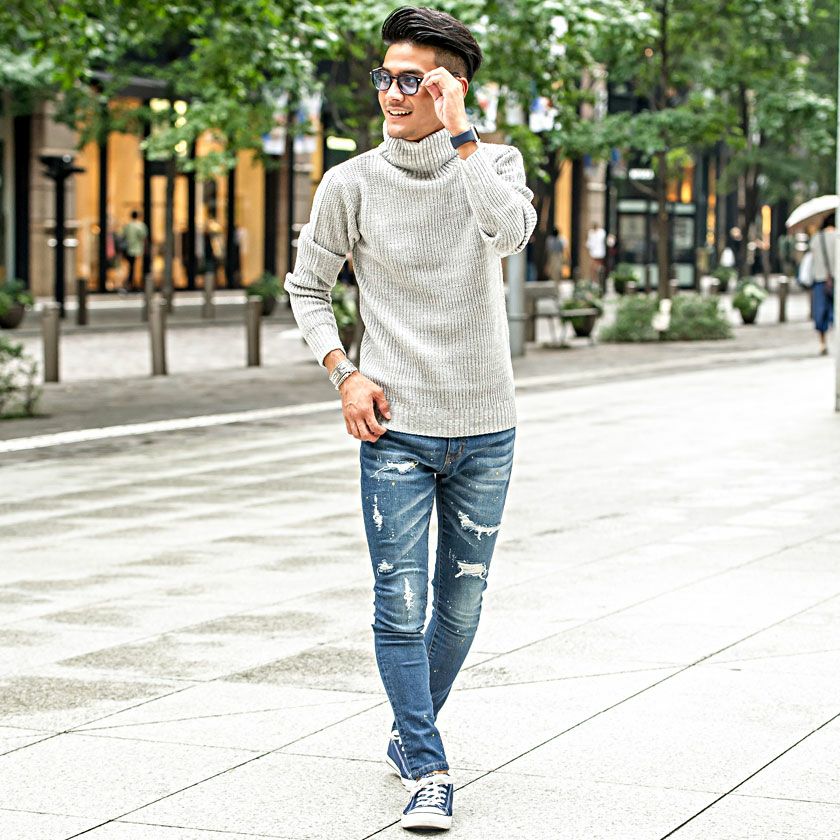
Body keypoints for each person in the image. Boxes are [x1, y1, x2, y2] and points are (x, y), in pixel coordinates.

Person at [284, 6, 536, 831]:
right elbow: (307, 285)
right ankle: (428, 767)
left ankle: (406, 732)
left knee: (460, 608)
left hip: (486, 427)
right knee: (399, 606)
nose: (393, 94)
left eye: (413, 80)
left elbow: (509, 235)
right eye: (385, 77)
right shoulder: (350, 184)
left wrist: (463, 138)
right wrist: (344, 373)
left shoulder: (494, 163)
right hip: (394, 426)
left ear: (452, 88)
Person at [810, 213, 836, 356]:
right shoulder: (837, 237)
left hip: (820, 279)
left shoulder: (816, 238)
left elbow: (813, 258)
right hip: (836, 280)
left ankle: (822, 343)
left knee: (820, 313)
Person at [121, 211, 148, 292]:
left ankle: (130, 283)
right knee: (136, 268)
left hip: (128, 250)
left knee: (131, 267)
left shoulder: (128, 225)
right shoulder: (140, 225)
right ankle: (135, 284)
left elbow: (123, 236)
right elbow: (143, 237)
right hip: (137, 250)